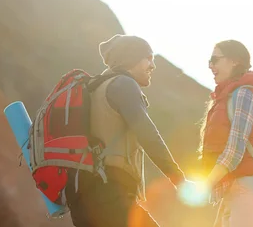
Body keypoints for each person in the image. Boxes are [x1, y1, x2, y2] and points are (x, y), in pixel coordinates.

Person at [64, 34, 187, 227]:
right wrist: (177, 177)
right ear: (131, 59)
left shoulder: (94, 89)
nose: (152, 65)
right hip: (110, 193)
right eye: (148, 58)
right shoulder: (123, 84)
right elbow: (148, 136)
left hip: (83, 197)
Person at [198, 40, 253, 227]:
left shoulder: (244, 93)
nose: (211, 65)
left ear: (234, 61)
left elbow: (236, 149)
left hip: (247, 188)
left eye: (215, 59)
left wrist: (207, 182)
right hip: (234, 189)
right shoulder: (226, 96)